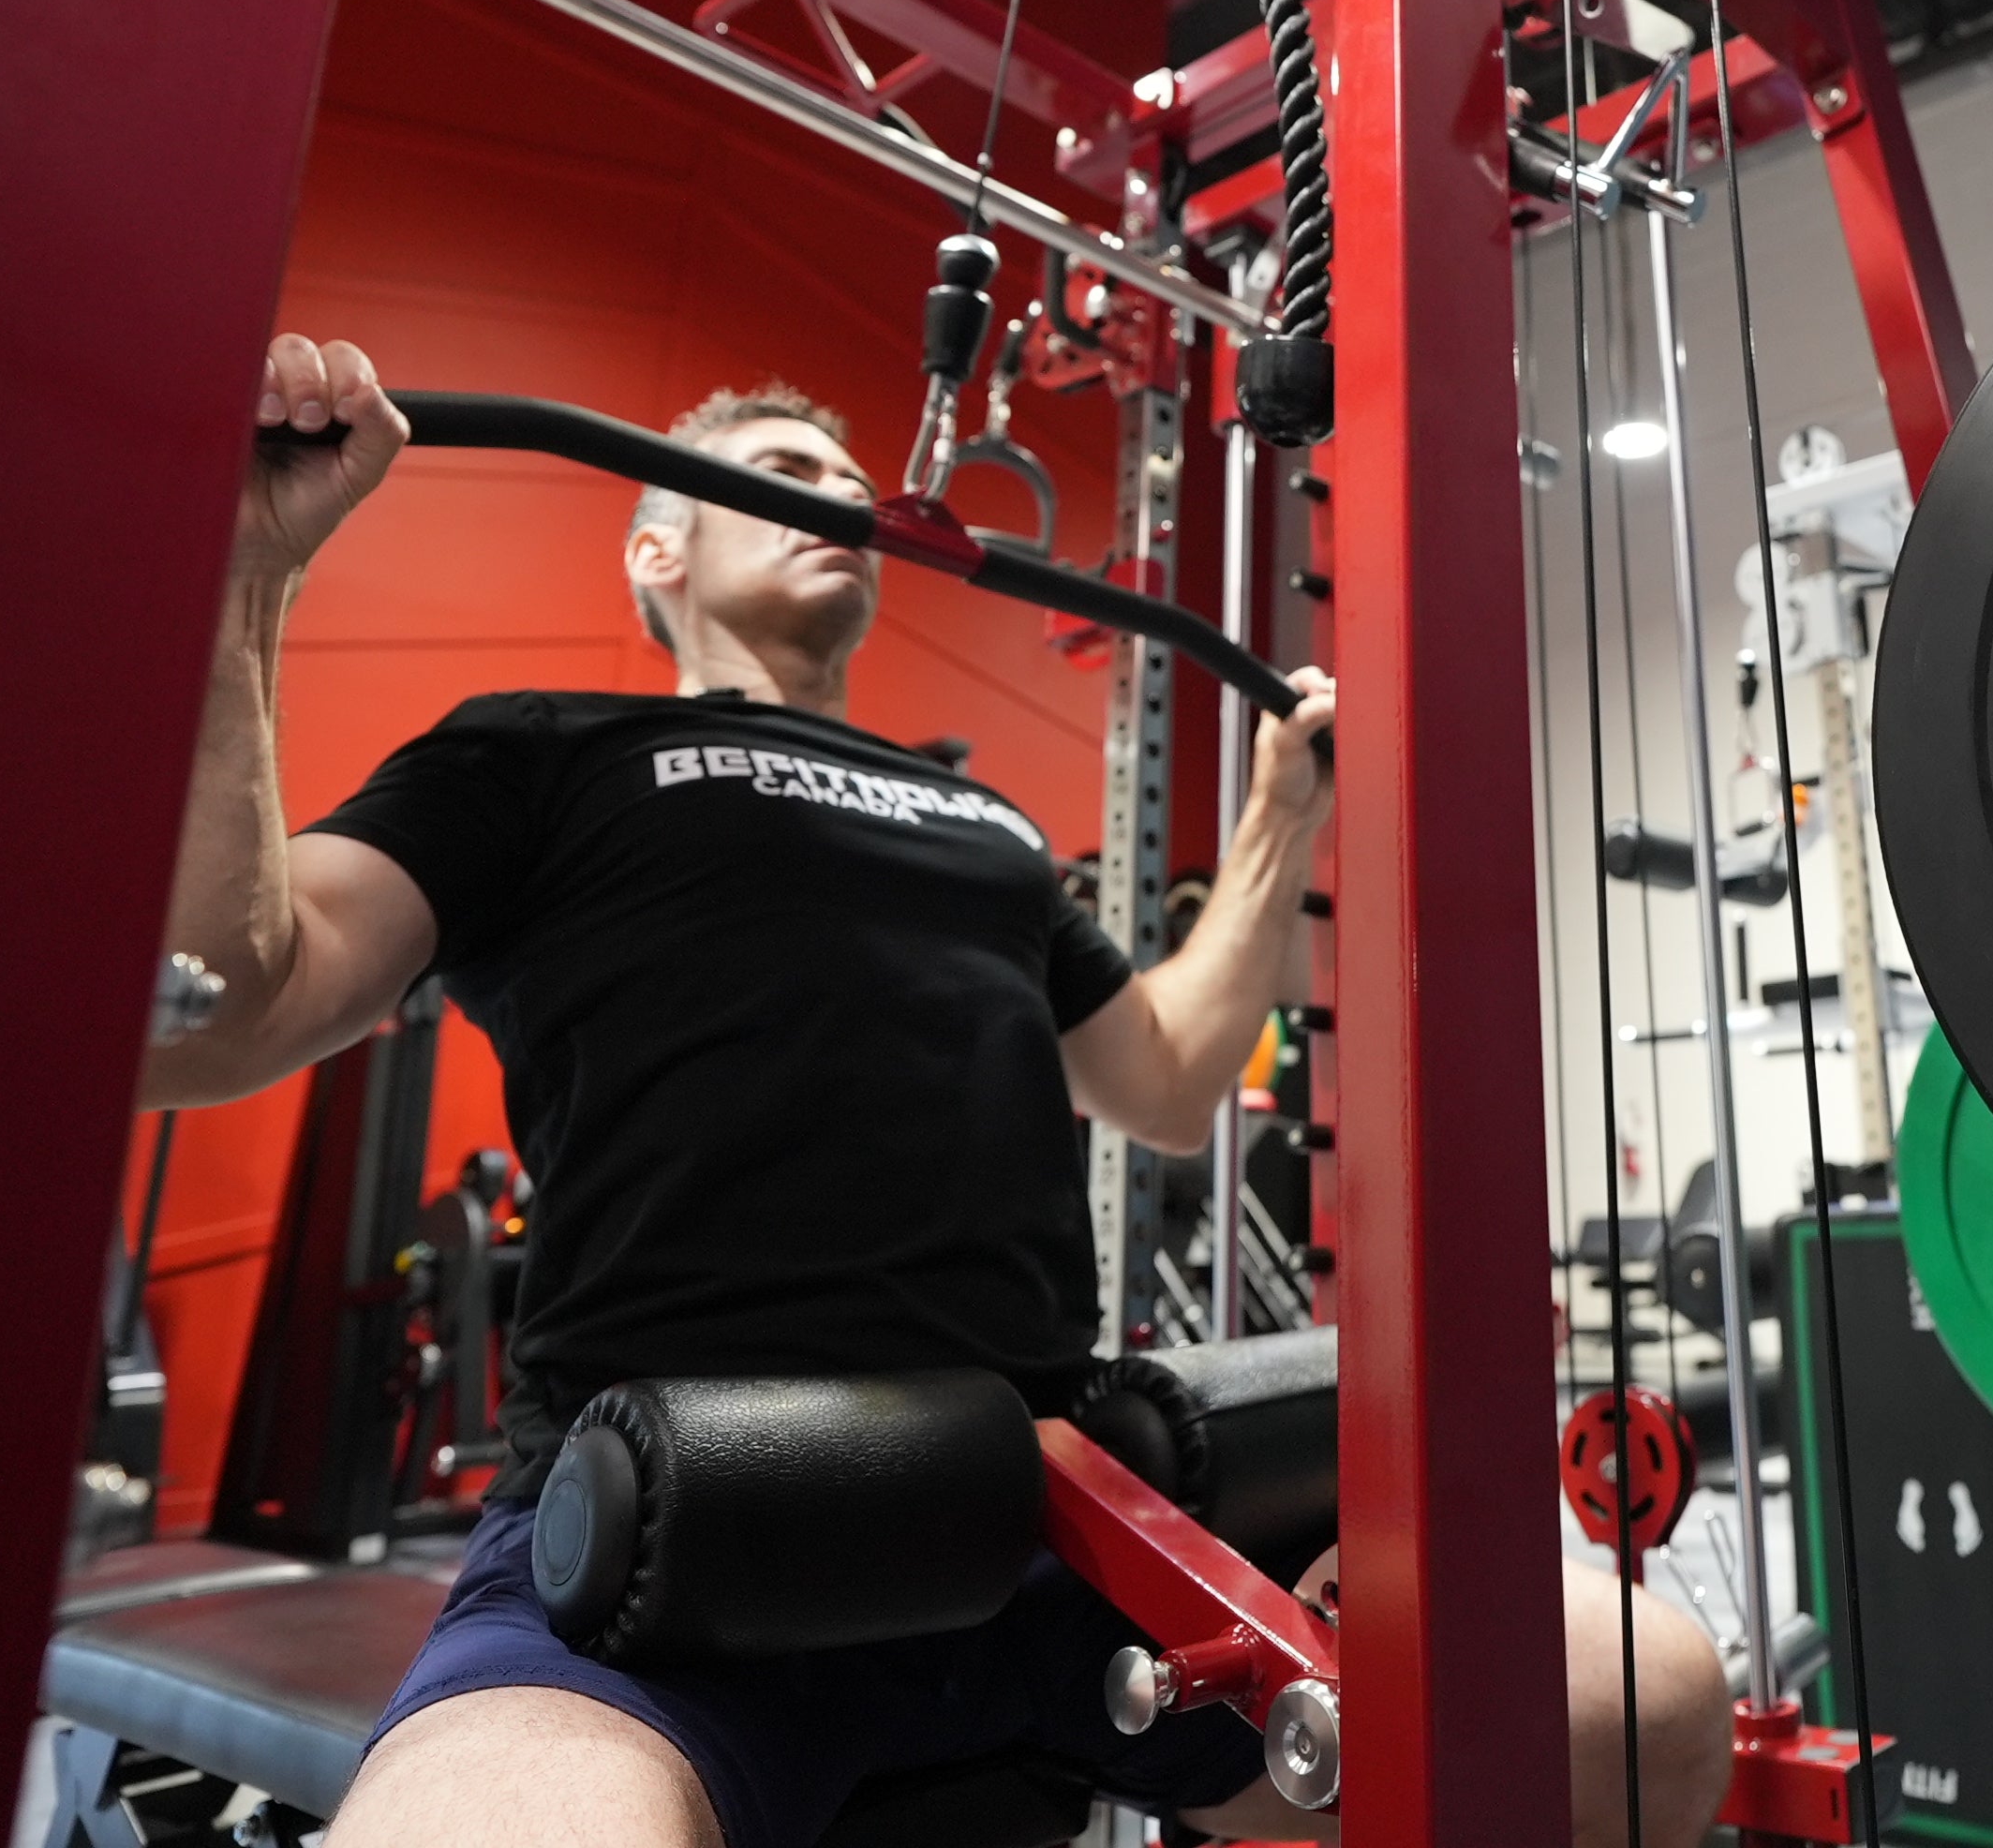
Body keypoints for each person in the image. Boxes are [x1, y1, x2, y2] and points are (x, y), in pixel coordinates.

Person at [157, 335, 1729, 1848]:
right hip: (676, 1536)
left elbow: (1170, 1080)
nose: (835, 494)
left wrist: (1276, 816)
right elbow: (228, 1013)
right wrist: (246, 569)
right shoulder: (542, 754)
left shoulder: (978, 821)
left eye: (848, 476)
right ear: (658, 556)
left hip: (1036, 1520)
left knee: (1646, 1706)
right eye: (780, 471)